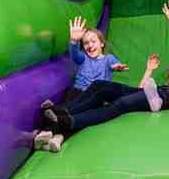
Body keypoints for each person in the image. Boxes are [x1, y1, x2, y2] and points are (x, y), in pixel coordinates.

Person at [36, 55, 169, 151]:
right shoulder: (164, 86)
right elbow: (140, 89)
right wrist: (149, 69)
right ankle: (61, 110)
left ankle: (68, 121)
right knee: (100, 85)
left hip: (164, 98)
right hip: (147, 94)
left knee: (120, 103)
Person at [33, 16, 128, 151]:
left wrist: (117, 67)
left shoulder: (108, 59)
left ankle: (57, 134)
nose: (90, 45)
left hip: (94, 98)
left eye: (93, 41)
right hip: (77, 91)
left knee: (75, 116)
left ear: (102, 43)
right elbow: (74, 55)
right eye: (86, 43)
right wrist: (73, 41)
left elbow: (114, 64)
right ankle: (47, 134)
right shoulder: (83, 58)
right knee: (65, 109)